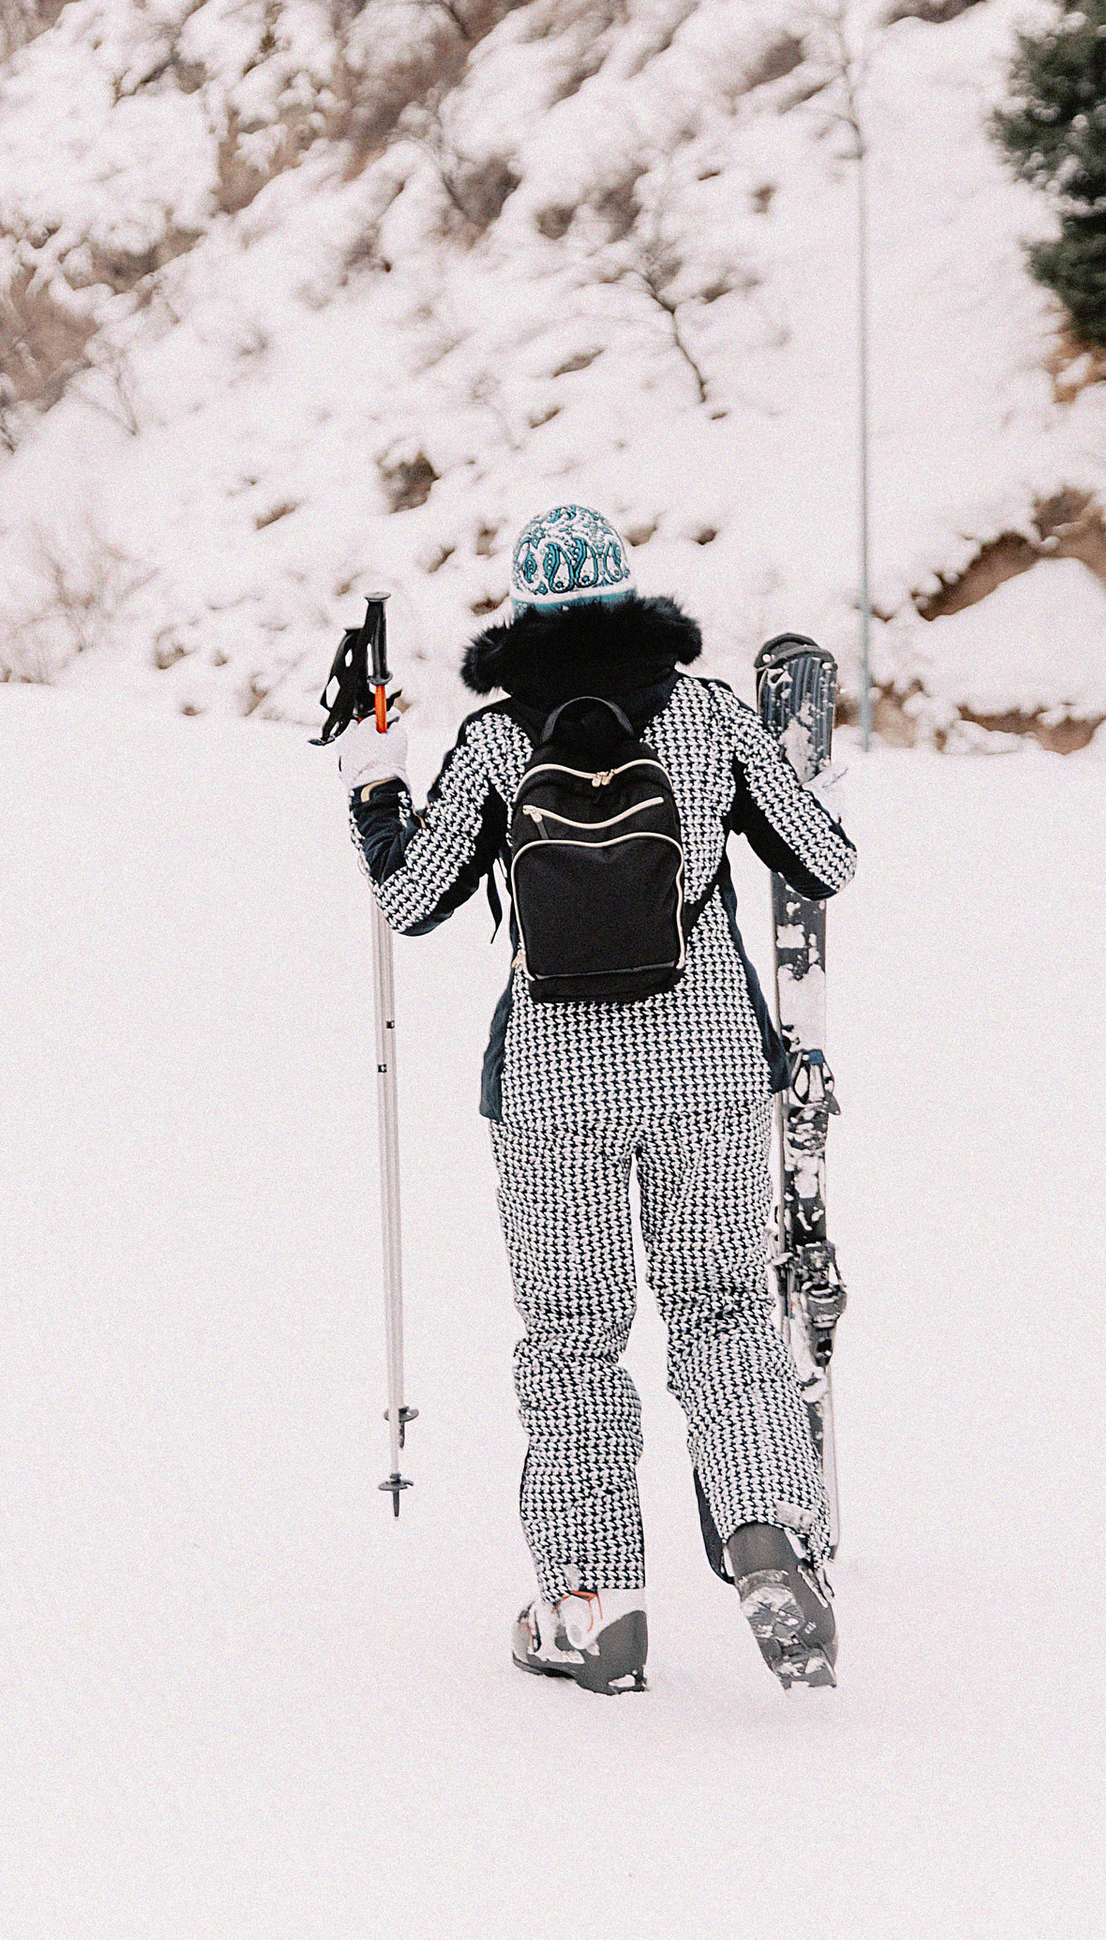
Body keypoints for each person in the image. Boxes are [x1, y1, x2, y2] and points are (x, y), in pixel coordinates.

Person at [339, 499, 856, 1696]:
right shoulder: (709, 716)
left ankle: (595, 1605)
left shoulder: (492, 744)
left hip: (553, 1086)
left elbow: (413, 901)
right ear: (632, 601)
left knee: (572, 1340)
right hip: (713, 1069)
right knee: (723, 1311)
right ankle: (769, 1532)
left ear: (520, 616)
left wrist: (375, 791)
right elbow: (821, 860)